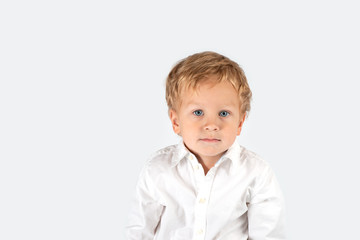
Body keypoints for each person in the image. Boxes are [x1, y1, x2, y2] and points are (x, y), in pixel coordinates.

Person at [126, 51, 285, 239]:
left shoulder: (256, 173)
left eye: (224, 113)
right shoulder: (157, 170)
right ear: (176, 121)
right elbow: (139, 231)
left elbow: (268, 234)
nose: (211, 125)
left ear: (240, 123)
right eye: (198, 112)